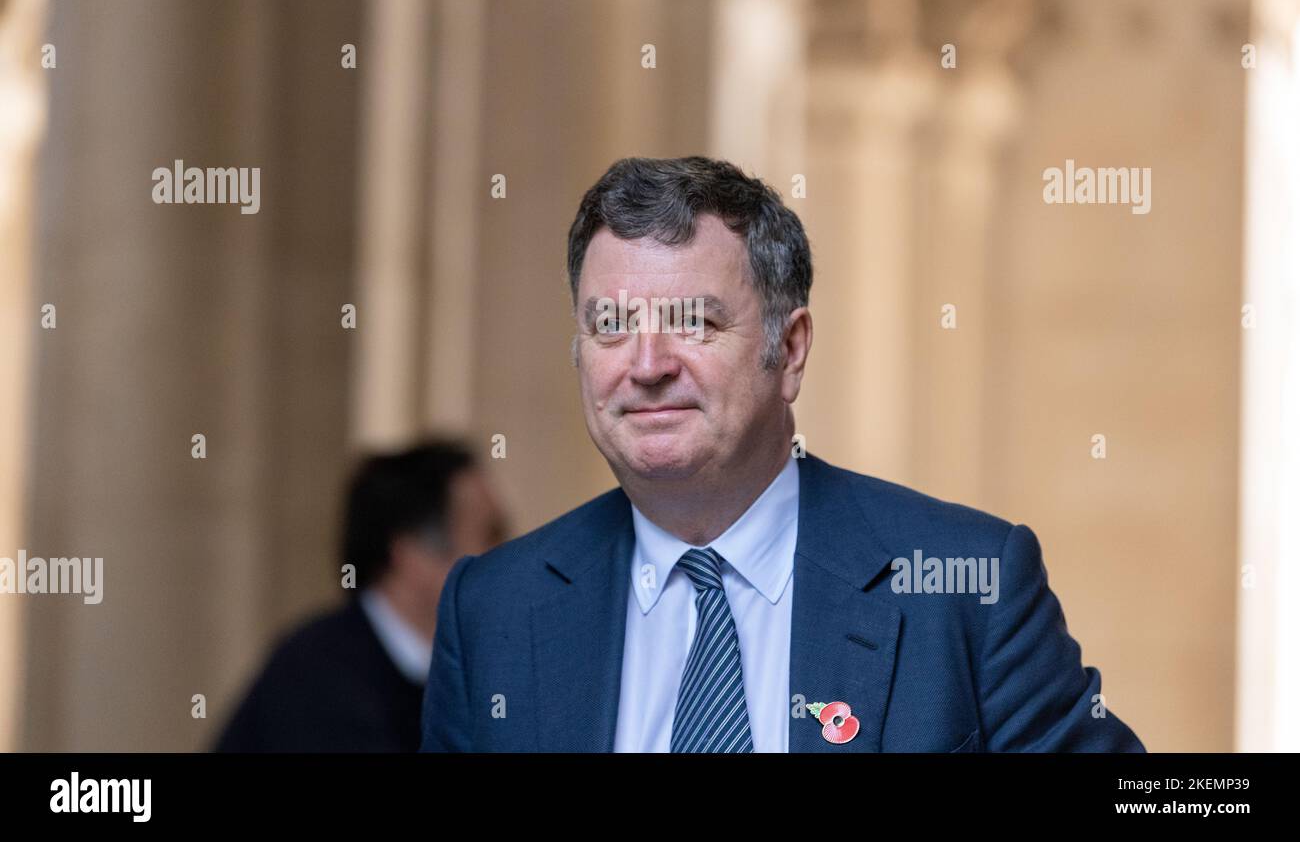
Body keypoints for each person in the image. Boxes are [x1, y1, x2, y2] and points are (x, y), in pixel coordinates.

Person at [420, 156, 1144, 753]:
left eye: (693, 323)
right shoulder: (493, 611)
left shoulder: (966, 586)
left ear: (789, 350)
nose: (646, 365)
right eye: (610, 326)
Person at [216, 440, 506, 752]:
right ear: (412, 555)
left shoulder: (474, 671)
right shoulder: (317, 677)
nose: (510, 556)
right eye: (491, 535)